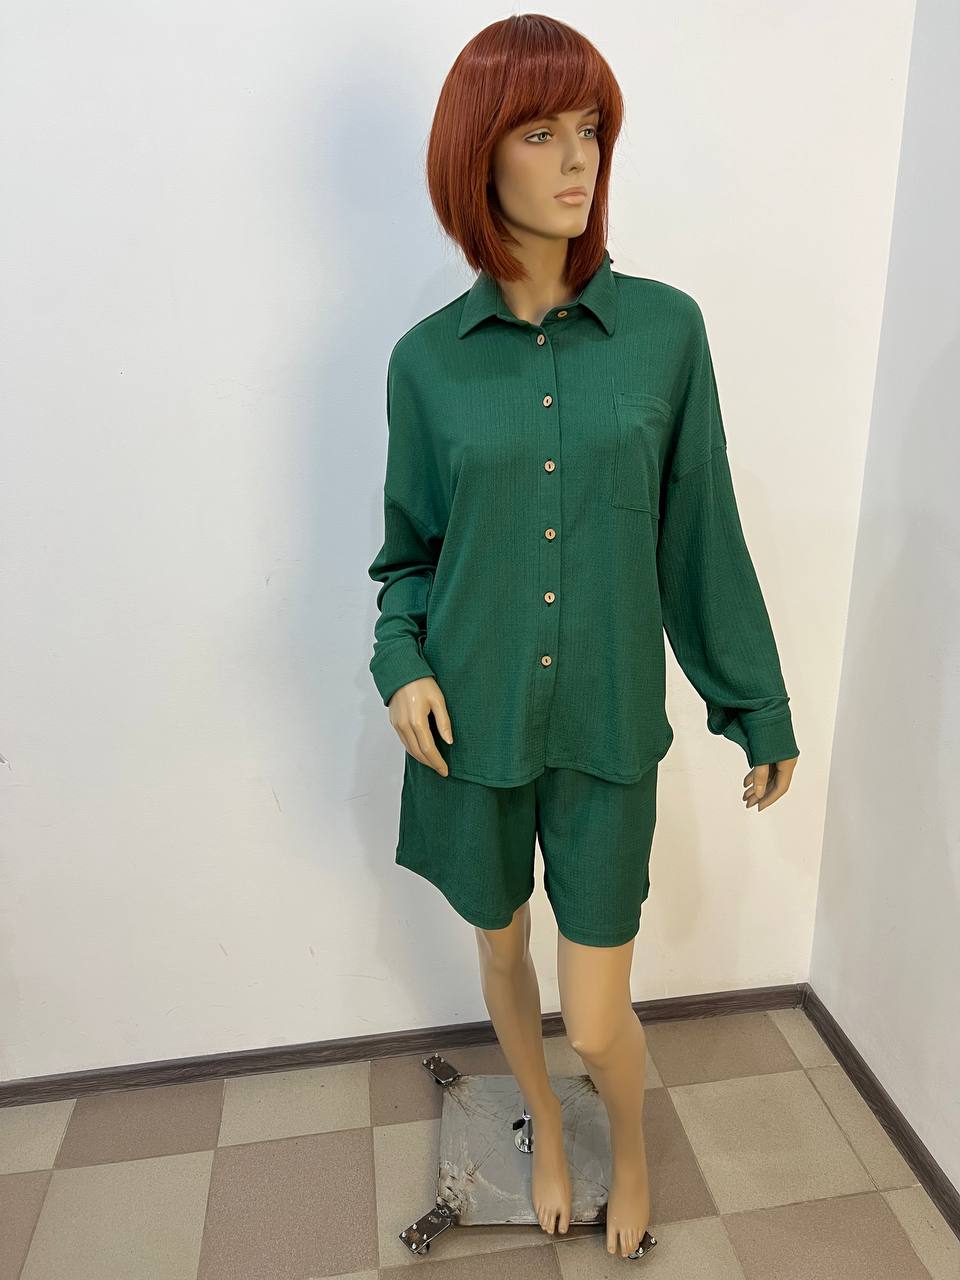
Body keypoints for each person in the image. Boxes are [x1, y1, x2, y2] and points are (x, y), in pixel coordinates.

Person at [366, 13, 799, 1262]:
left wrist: (756, 703)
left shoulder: (666, 332)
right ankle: (547, 1127)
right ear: (477, 157)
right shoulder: (425, 365)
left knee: (599, 1012)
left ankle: (632, 1142)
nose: (577, 159)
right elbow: (408, 557)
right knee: (503, 949)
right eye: (540, 132)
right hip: (472, 723)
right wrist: (401, 663)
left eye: (592, 129)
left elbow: (701, 534)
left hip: (608, 727)